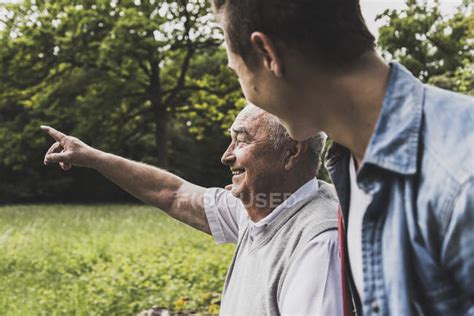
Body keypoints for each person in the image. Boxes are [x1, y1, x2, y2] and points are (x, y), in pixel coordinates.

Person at [210, 1, 474, 315]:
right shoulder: (351, 164)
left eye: (235, 69)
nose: (243, 89)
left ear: (268, 54)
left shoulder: (459, 177)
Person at [42, 104, 343, 315]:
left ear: (291, 151)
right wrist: (92, 157)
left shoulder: (318, 244)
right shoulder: (262, 208)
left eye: (242, 140)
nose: (226, 156)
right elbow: (173, 194)